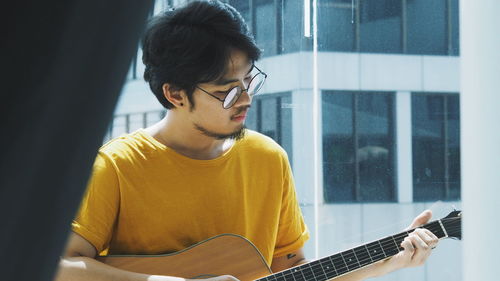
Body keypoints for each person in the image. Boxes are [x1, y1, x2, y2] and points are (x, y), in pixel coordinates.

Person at [55, 1, 438, 280]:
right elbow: (59, 265)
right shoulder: (118, 165)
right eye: (226, 91)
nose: (246, 99)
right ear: (175, 94)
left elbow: (292, 271)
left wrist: (390, 262)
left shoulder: (267, 157)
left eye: (249, 81)